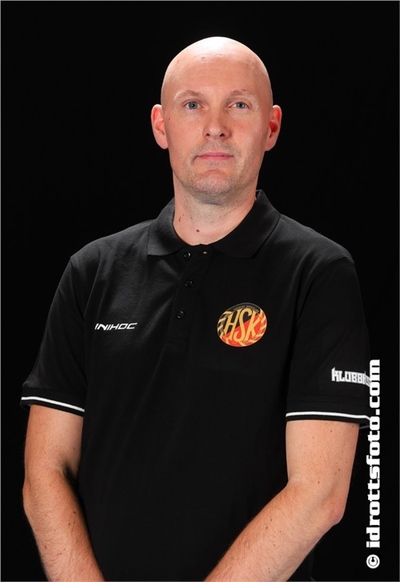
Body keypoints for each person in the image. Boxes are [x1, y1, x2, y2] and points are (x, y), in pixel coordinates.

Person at [21, 36, 371, 582]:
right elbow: (45, 471)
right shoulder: (92, 271)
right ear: (161, 126)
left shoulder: (319, 273)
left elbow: (320, 492)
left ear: (271, 127)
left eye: (239, 104)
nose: (215, 127)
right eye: (192, 105)